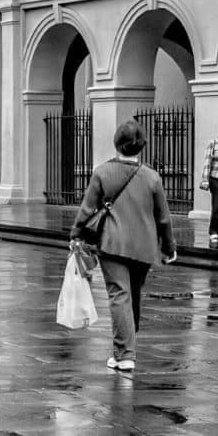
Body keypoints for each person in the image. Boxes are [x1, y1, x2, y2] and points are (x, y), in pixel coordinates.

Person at [70, 119, 177, 373]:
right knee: (133, 295)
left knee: (120, 295)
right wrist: (169, 246)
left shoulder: (102, 172)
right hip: (145, 245)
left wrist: (76, 233)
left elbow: (87, 208)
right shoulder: (152, 176)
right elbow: (163, 216)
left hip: (113, 242)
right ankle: (128, 343)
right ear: (142, 146)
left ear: (117, 143)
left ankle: (125, 353)